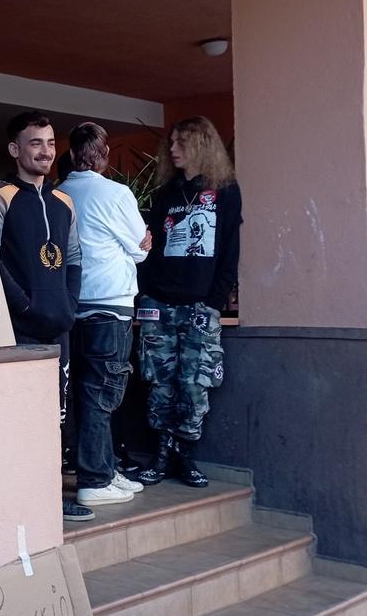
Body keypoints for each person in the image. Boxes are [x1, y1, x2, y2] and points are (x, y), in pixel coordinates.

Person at [0, 111, 86, 520]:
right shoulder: (0, 194)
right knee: (17, 417)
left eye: (50, 143)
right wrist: (24, 304)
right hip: (18, 328)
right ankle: (16, 503)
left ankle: (47, 500)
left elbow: (75, 258)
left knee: (53, 417)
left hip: (58, 327)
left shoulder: (64, 201)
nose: (45, 151)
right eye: (35, 143)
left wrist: (69, 305)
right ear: (15, 149)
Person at [135, 116, 241, 488]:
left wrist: (213, 301)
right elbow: (148, 247)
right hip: (159, 304)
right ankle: (161, 453)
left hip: (200, 307)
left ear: (201, 144)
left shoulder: (225, 191)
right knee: (159, 382)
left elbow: (230, 251)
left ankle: (186, 455)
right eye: (172, 143)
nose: (173, 149)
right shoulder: (165, 194)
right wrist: (147, 292)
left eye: (182, 142)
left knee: (195, 384)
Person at [57, 122, 151, 507]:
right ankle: (96, 479)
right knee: (102, 394)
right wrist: (140, 242)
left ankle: (103, 468)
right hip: (110, 303)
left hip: (73, 305)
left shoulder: (59, 193)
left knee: (81, 393)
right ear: (104, 153)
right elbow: (140, 248)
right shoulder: (116, 193)